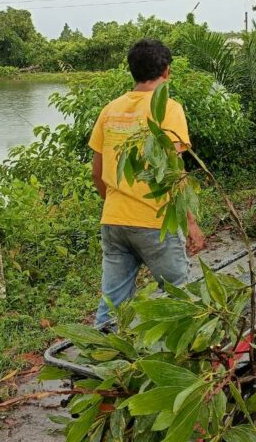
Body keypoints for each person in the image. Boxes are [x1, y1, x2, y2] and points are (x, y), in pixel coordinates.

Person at [89, 38, 205, 328]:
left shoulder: (110, 110)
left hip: (113, 219)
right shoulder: (169, 108)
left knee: (113, 303)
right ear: (166, 71)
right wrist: (190, 222)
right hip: (155, 221)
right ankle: (176, 361)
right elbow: (174, 169)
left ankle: (103, 360)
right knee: (178, 294)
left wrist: (118, 203)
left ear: (132, 71)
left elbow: (97, 172)